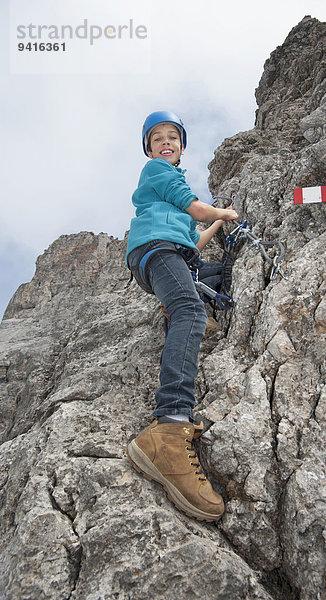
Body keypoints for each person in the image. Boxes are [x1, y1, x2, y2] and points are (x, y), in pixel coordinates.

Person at [126, 110, 238, 521]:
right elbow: (197, 210)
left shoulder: (171, 192)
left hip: (177, 254)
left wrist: (220, 226)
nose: (165, 142)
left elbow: (195, 237)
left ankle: (181, 313)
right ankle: (169, 429)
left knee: (225, 270)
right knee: (190, 308)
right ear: (150, 149)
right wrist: (222, 213)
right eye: (157, 138)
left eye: (172, 136)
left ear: (183, 145)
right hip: (156, 250)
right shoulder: (158, 172)